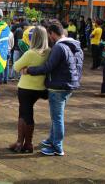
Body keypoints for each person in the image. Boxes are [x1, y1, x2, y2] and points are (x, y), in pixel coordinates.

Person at [24, 20, 83, 156]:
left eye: (49, 35)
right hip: (69, 85)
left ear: (52, 34)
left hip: (58, 86)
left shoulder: (59, 47)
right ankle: (52, 140)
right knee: (56, 116)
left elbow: (48, 67)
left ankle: (57, 147)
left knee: (57, 118)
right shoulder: (75, 45)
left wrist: (30, 70)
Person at [9, 26, 50, 153]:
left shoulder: (30, 53)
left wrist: (25, 68)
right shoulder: (49, 52)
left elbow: (16, 66)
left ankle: (21, 142)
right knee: (29, 113)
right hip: (41, 88)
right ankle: (28, 142)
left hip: (26, 87)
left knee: (24, 114)